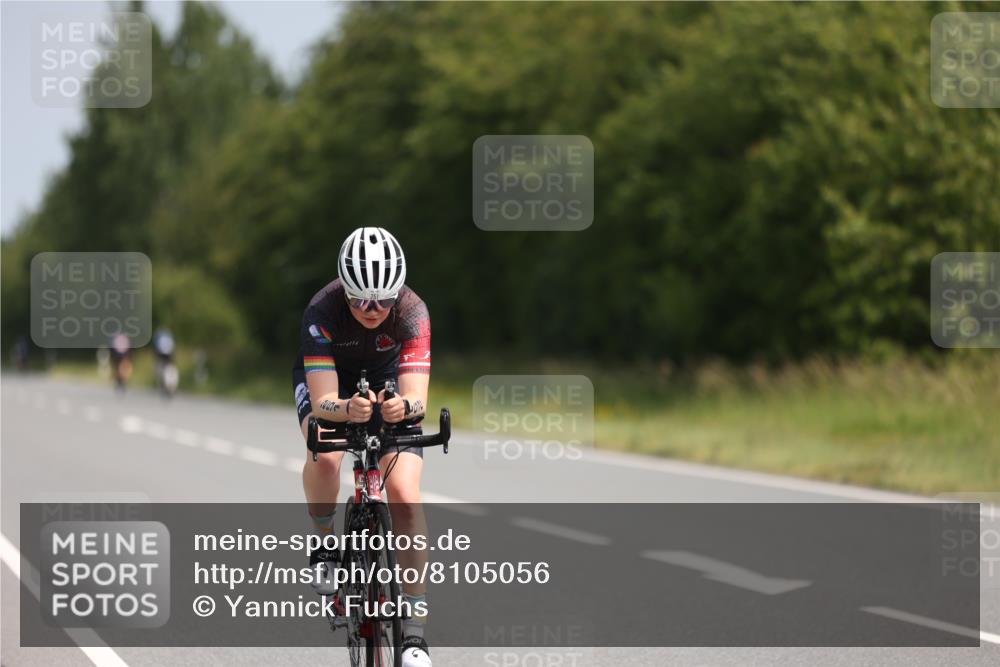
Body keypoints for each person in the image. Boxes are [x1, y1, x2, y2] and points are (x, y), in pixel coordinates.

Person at [292, 227, 432, 666]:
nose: (372, 309)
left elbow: (418, 400)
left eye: (382, 300)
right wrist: (345, 408)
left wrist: (400, 407)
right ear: (344, 290)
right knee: (328, 454)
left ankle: (414, 633)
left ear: (398, 293)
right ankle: (324, 544)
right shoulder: (323, 310)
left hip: (389, 383)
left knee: (406, 496)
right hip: (333, 385)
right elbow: (323, 403)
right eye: (360, 300)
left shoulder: (412, 312)